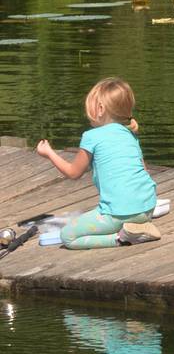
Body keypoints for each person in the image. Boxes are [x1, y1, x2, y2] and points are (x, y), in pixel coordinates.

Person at [36, 77, 160, 249]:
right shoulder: (130, 135)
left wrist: (49, 153)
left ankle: (120, 239)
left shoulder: (91, 136)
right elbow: (144, 172)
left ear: (100, 109)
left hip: (118, 215)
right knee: (106, 215)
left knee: (67, 236)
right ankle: (136, 227)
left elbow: (74, 173)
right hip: (147, 209)